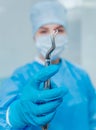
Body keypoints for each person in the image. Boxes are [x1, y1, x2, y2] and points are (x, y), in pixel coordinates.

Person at [0, 0, 96, 130]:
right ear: (34, 37)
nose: (52, 37)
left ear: (66, 34)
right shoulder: (20, 76)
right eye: (44, 31)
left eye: (58, 30)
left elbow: (93, 118)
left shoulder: (81, 75)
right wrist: (15, 115)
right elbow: (3, 121)